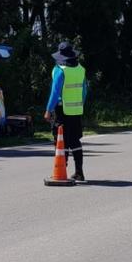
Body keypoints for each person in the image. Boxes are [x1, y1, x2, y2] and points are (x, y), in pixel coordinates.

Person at [44, 41, 88, 182]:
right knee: (75, 140)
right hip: (77, 110)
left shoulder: (60, 70)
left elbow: (55, 92)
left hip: (62, 110)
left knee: (60, 140)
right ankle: (79, 172)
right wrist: (79, 104)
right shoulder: (81, 69)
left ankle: (61, 170)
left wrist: (48, 110)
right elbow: (84, 91)